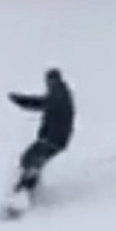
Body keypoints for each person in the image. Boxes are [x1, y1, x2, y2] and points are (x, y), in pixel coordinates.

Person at [8, 68, 74, 198]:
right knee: (33, 161)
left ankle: (22, 193)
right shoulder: (60, 94)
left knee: (29, 159)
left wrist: (48, 136)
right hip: (58, 140)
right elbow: (41, 103)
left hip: (52, 139)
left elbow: (47, 106)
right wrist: (20, 100)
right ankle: (27, 191)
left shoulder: (58, 93)